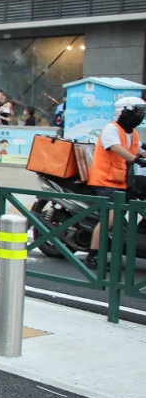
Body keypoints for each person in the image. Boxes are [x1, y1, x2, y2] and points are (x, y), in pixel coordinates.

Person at [84, 96, 145, 269]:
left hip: (124, 181)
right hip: (105, 181)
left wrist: (140, 156)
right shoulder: (111, 129)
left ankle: (142, 229)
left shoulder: (132, 133)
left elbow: (140, 150)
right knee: (112, 214)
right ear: (124, 111)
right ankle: (93, 255)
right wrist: (136, 159)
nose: (140, 115)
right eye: (138, 112)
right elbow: (116, 148)